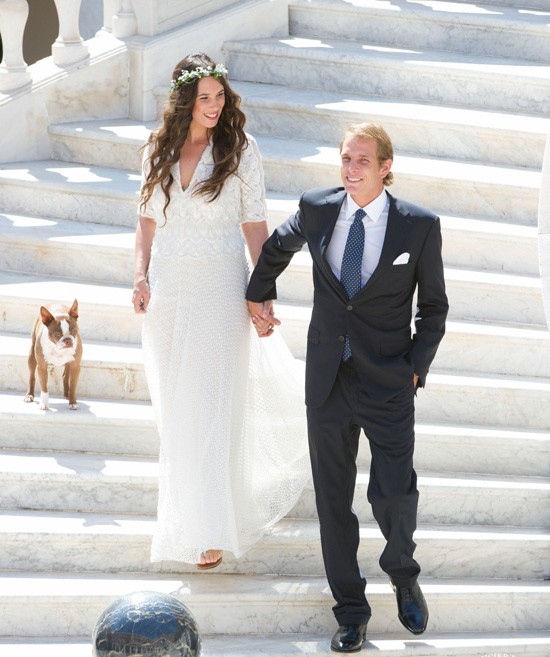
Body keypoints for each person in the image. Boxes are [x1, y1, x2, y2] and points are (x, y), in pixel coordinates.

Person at [247, 123, 448, 652]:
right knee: (334, 502)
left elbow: (434, 309)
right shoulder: (318, 208)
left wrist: (416, 366)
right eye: (345, 159)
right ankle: (351, 613)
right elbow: (277, 245)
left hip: (388, 380)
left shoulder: (418, 227)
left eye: (362, 161)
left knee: (395, 492)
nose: (351, 169)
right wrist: (257, 293)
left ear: (386, 166)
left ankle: (403, 572)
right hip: (328, 380)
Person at [133, 53, 310, 571]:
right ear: (185, 100)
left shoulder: (242, 150)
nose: (215, 106)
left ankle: (210, 532)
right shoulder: (156, 148)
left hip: (218, 289)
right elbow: (145, 220)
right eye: (204, 97)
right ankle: (191, 517)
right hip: (169, 292)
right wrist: (139, 275)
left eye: (220, 96)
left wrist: (263, 292)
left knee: (210, 407)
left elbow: (255, 225)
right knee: (180, 412)